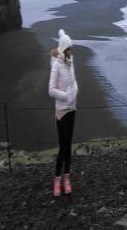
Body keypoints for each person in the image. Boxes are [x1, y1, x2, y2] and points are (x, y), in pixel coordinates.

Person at [48, 28, 79, 197]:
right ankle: (57, 179)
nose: (71, 51)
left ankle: (67, 178)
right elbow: (51, 90)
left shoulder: (70, 61)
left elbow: (73, 82)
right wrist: (66, 96)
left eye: (71, 49)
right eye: (69, 49)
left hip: (72, 109)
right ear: (64, 49)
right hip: (61, 111)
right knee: (62, 147)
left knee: (68, 146)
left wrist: (75, 91)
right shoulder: (57, 66)